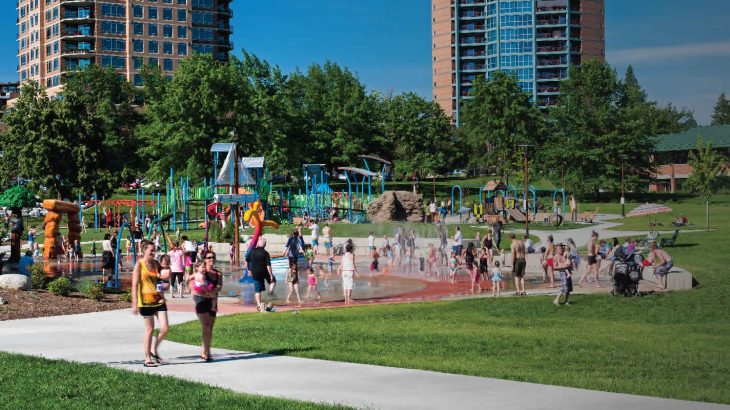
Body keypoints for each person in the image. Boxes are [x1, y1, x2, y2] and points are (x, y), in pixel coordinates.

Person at [131, 240, 169, 368]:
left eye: (154, 250)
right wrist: (134, 303)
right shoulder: (139, 265)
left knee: (165, 328)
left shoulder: (156, 263)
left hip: (159, 300)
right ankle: (147, 358)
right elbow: (134, 285)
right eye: (151, 250)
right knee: (150, 329)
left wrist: (165, 285)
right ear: (144, 251)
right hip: (146, 302)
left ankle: (154, 349)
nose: (154, 252)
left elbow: (162, 280)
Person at [188, 250, 222, 361]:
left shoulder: (218, 273)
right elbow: (191, 285)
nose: (211, 259)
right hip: (201, 300)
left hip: (213, 301)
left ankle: (206, 350)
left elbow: (219, 287)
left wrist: (211, 293)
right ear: (205, 259)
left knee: (210, 328)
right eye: (209, 257)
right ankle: (205, 352)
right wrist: (202, 293)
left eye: (213, 257)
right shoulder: (200, 272)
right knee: (206, 326)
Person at [246, 236, 274, 312]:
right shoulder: (265, 253)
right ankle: (270, 293)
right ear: (265, 245)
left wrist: (249, 270)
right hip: (263, 271)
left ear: (258, 243)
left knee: (257, 290)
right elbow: (268, 265)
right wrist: (271, 275)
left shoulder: (251, 251)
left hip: (255, 272)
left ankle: (259, 305)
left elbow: (247, 261)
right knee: (272, 281)